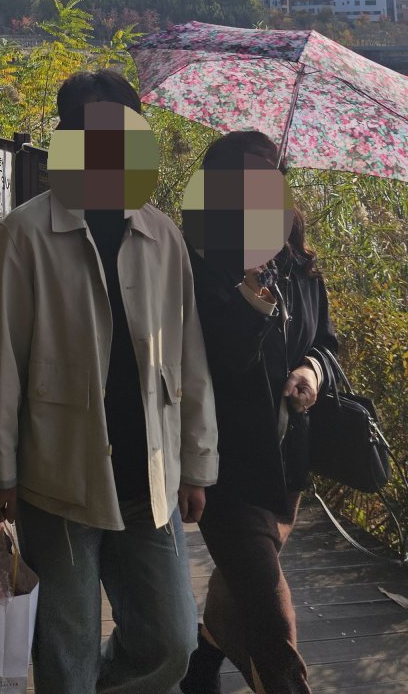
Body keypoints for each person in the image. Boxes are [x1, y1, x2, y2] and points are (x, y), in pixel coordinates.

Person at [0, 68, 218, 694]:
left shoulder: (163, 236)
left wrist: (197, 465)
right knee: (64, 650)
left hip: (150, 475)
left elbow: (189, 359)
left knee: (173, 641)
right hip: (59, 475)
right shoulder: (24, 235)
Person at [180, 131, 337, 694]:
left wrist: (311, 372)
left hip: (287, 466)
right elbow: (218, 360)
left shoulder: (298, 267)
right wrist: (251, 296)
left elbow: (326, 343)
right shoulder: (196, 264)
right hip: (227, 467)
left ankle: (203, 658)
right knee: (272, 617)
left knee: (246, 578)